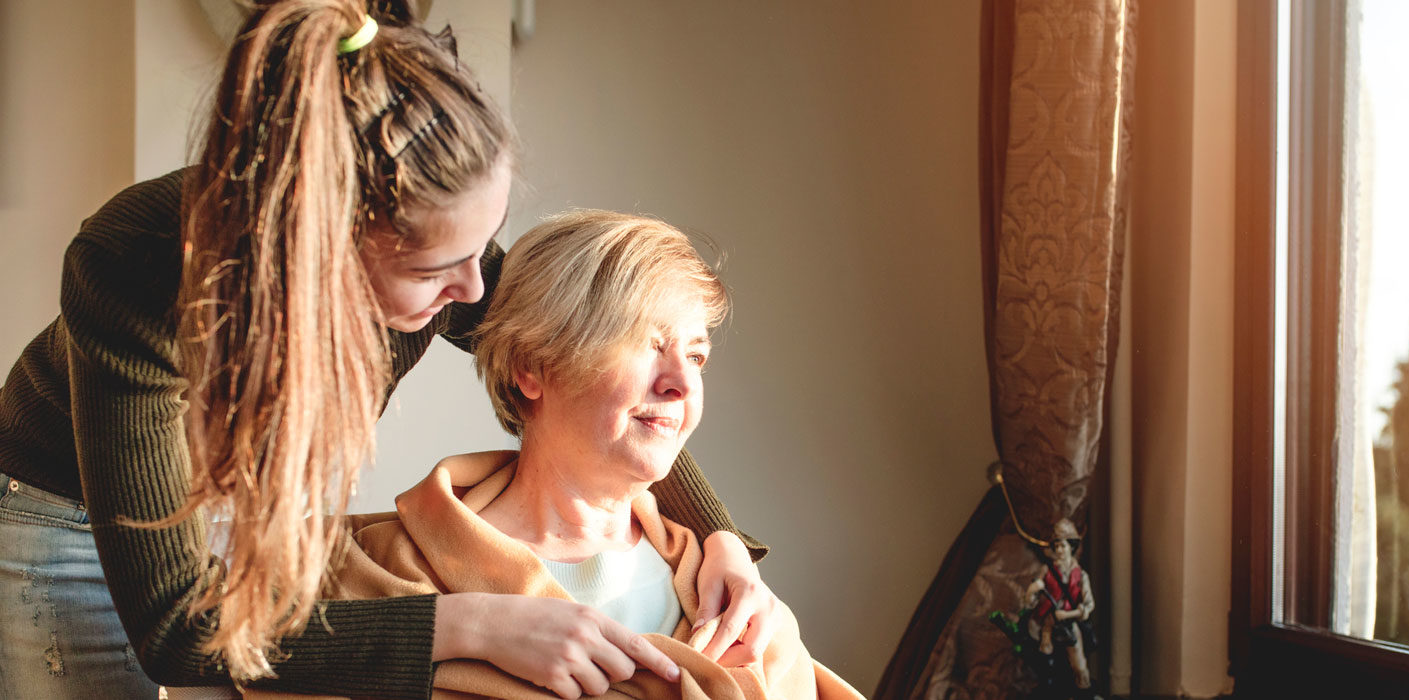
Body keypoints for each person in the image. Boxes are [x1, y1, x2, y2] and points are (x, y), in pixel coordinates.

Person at [0, 3, 773, 698]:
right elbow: (178, 632)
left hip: (236, 509)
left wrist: (720, 538)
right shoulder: (136, 268)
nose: (476, 292)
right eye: (437, 271)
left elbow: (581, 360)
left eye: (483, 245)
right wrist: (474, 624)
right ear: (326, 254)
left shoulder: (438, 240)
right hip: (64, 520)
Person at [234, 210, 860, 700]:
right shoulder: (387, 576)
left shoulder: (739, 610)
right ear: (533, 367)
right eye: (644, 343)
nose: (681, 384)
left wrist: (721, 535)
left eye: (696, 355)